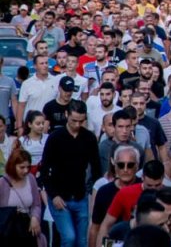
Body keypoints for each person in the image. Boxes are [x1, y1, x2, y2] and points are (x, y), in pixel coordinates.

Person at [38, 98, 100, 247]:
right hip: (60, 196)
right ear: (66, 115)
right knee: (69, 237)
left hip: (81, 195)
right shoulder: (55, 138)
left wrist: (92, 191)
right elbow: (45, 170)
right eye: (74, 121)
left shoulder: (89, 137)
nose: (77, 125)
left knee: (82, 241)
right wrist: (54, 195)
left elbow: (96, 167)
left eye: (81, 121)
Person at [0, 148, 44, 247]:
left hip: (26, 228)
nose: (25, 171)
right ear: (13, 166)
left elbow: (36, 204)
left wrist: (35, 217)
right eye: (22, 167)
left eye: (28, 167)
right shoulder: (2, 183)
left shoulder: (31, 179)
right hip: (8, 231)